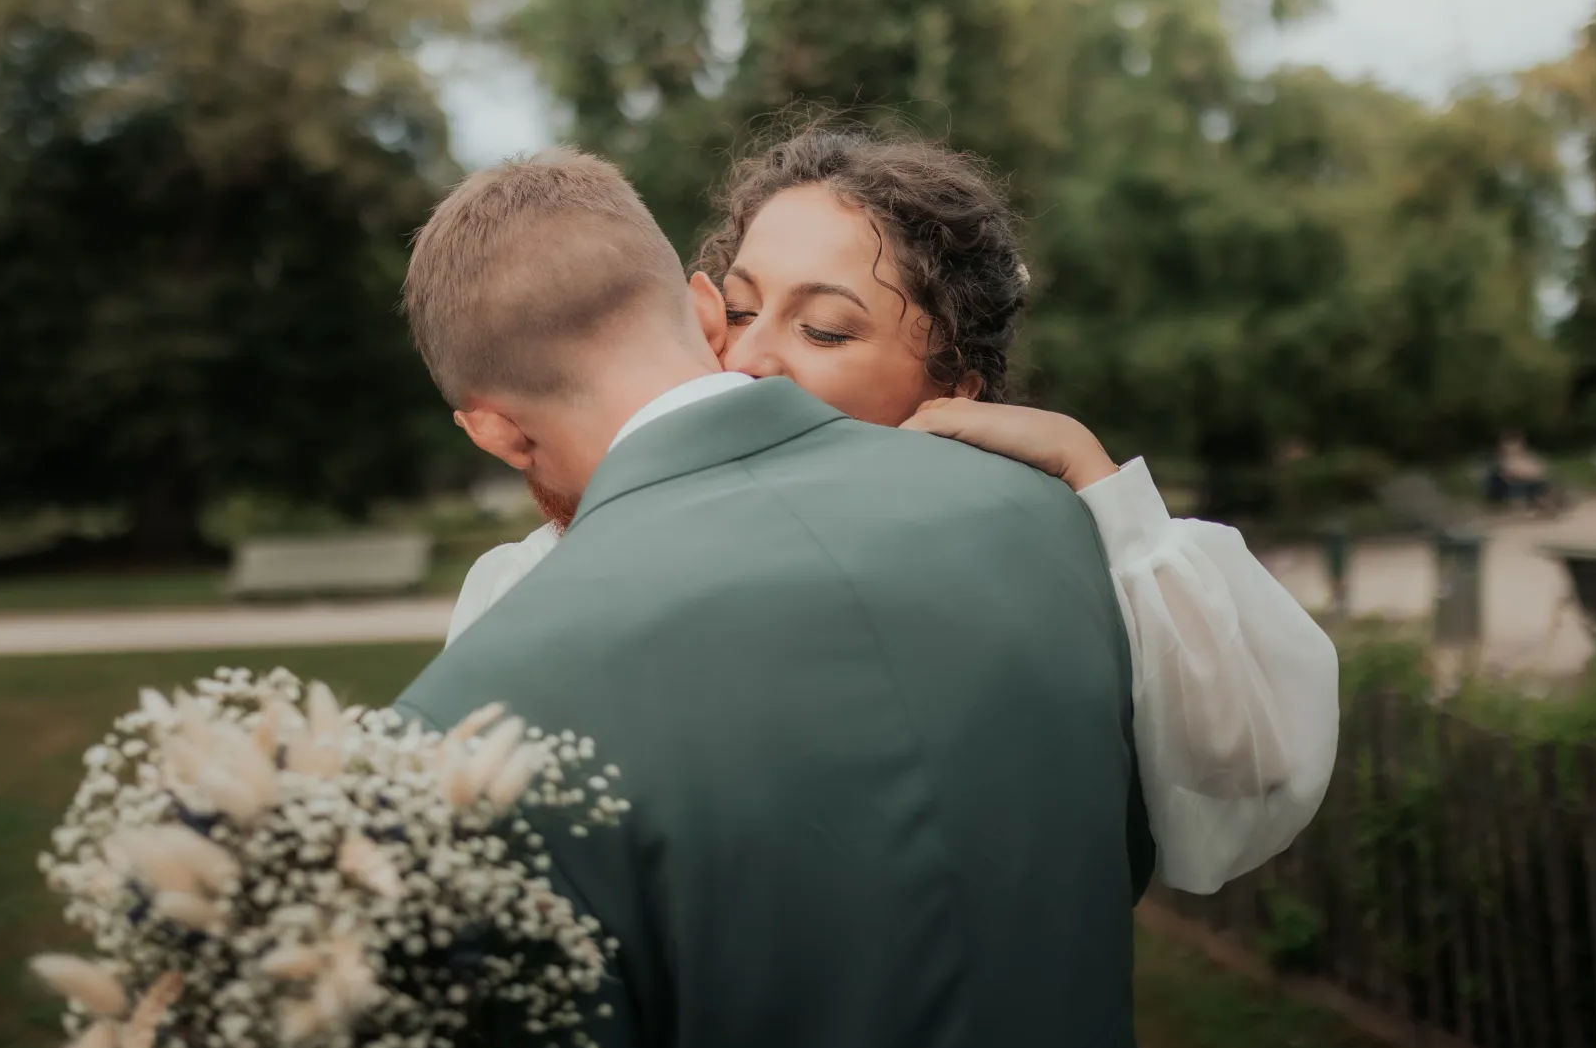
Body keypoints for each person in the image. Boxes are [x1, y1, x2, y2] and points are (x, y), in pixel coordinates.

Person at [395, 148, 1152, 1048]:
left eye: (828, 326)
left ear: (494, 431)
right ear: (709, 310)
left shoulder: (467, 718)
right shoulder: (1054, 518)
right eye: (753, 313)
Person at [442, 127, 1339, 896]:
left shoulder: (1067, 568)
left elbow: (1245, 766)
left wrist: (1098, 482)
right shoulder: (544, 578)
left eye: (824, 330)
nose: (750, 358)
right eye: (739, 310)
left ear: (954, 387)